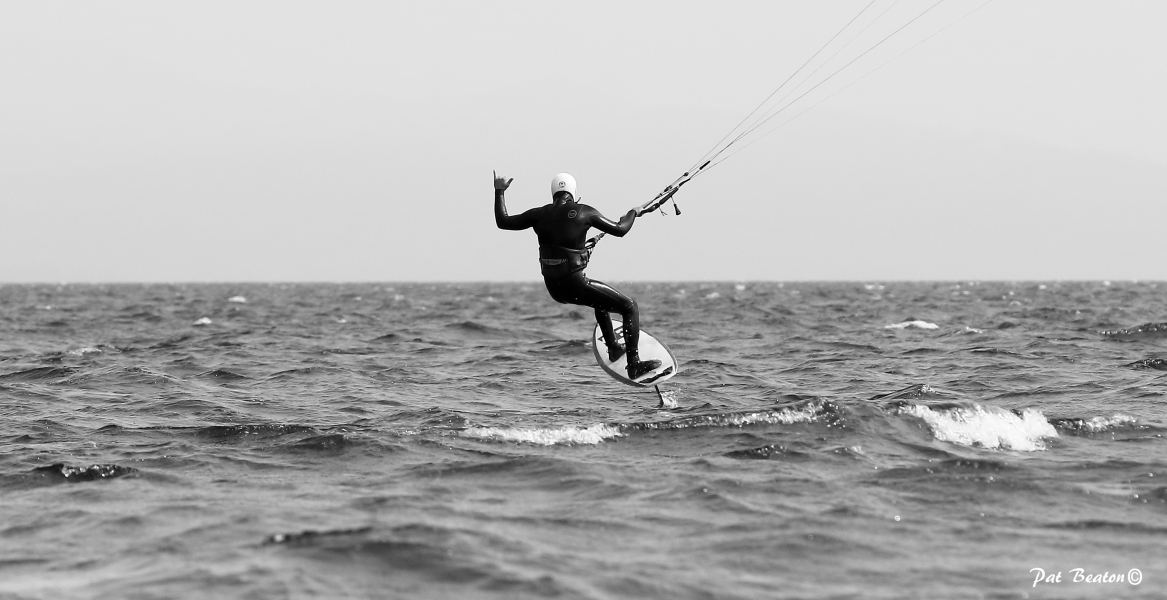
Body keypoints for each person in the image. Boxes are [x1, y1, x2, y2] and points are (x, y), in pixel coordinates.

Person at [494, 170, 661, 380]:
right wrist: (633, 213)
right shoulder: (584, 212)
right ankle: (634, 364)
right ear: (573, 193)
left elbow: (503, 222)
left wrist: (499, 192)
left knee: (600, 302)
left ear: (553, 192)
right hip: (575, 284)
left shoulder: (539, 214)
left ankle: (613, 348)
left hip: (555, 289)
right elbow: (620, 229)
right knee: (629, 306)